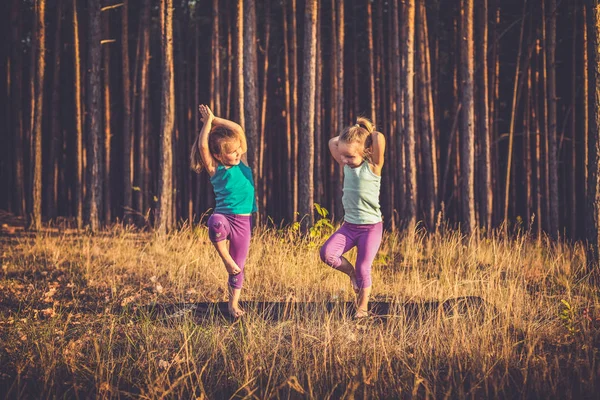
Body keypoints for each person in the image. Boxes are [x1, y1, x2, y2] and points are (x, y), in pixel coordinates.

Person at [190, 104, 256, 318]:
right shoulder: (215, 169)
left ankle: (233, 305)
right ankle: (224, 257)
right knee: (214, 223)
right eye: (232, 152)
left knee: (239, 266)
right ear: (218, 155)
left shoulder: (242, 162)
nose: (238, 154)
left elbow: (237, 129)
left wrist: (215, 118)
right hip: (225, 217)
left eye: (238, 150)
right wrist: (207, 125)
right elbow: (202, 147)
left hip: (243, 222)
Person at [320, 117, 386, 318]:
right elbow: (333, 142)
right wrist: (354, 131)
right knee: (327, 254)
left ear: (365, 152)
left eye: (349, 156)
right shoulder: (347, 166)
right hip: (349, 227)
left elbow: (380, 138)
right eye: (343, 156)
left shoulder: (373, 167)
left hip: (371, 228)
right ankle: (352, 275)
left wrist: (369, 130)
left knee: (363, 266)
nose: (343, 160)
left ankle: (362, 308)